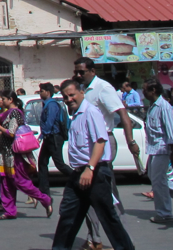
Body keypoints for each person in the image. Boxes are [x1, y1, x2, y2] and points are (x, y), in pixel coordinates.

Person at [50, 80, 135, 250]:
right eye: (66, 97)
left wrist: (90, 168)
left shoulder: (91, 112)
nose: (69, 99)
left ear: (82, 93)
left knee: (108, 217)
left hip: (94, 173)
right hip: (79, 173)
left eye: (72, 95)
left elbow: (100, 142)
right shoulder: (75, 116)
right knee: (68, 215)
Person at [74, 56, 139, 248]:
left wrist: (131, 141)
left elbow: (123, 114)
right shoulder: (82, 90)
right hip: (86, 145)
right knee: (87, 193)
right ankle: (95, 238)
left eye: (82, 72)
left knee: (107, 194)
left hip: (102, 142)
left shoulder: (103, 88)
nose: (78, 75)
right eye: (76, 72)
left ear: (92, 71)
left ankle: (125, 240)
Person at [0, 90, 51, 220]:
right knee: (6, 183)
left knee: (20, 181)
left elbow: (11, 132)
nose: (2, 102)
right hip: (4, 153)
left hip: (14, 154)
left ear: (10, 99)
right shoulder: (5, 114)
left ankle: (44, 199)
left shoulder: (15, 113)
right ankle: (9, 211)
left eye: (4, 99)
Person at [141, 78, 173, 224]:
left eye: (145, 89)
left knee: (158, 181)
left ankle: (164, 212)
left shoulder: (163, 106)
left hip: (163, 148)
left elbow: (170, 129)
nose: (143, 93)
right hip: (154, 148)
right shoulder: (153, 106)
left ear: (153, 90)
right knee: (156, 177)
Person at [37, 82, 72, 197]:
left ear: (47, 92)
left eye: (41, 91)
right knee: (42, 162)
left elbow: (50, 122)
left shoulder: (52, 105)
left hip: (54, 137)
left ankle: (77, 178)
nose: (40, 93)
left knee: (59, 164)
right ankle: (43, 190)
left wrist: (41, 136)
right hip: (49, 137)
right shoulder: (47, 104)